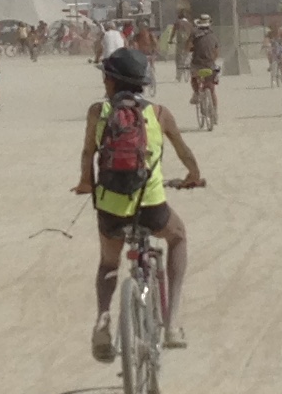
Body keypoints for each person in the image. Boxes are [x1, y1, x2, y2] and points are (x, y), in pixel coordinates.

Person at [73, 47, 205, 358]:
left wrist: (85, 183)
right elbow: (185, 153)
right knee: (178, 236)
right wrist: (193, 175)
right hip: (151, 205)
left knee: (108, 262)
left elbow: (87, 154)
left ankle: (103, 319)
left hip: (110, 206)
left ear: (110, 81)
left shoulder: (97, 112)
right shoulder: (159, 114)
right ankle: (172, 323)